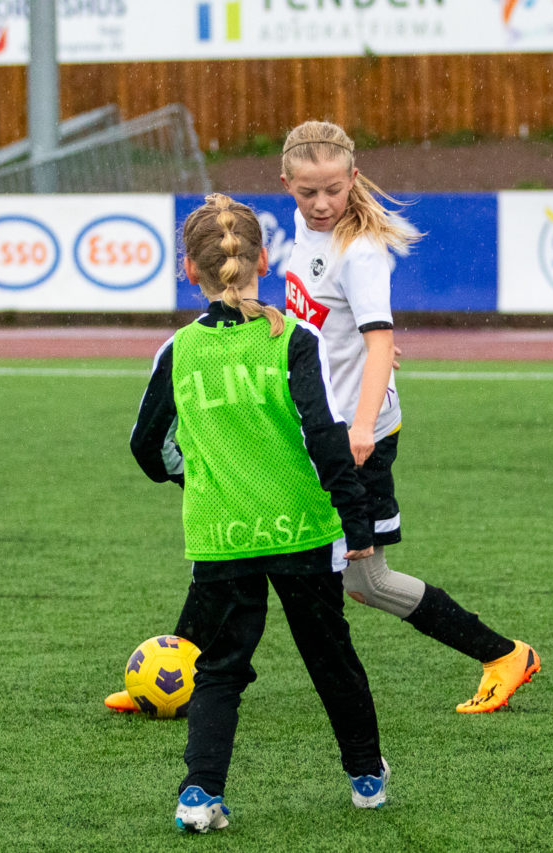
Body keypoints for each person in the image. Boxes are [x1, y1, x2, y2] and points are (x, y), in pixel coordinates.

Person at [130, 193, 391, 829]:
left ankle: (199, 795)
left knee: (219, 669)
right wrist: (356, 523)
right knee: (330, 656)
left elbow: (145, 444)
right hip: (300, 526)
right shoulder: (292, 337)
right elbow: (325, 436)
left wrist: (192, 476)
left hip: (220, 534)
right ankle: (365, 778)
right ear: (265, 260)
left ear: (188, 270)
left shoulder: (179, 351)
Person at [279, 119, 540, 714]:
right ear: (287, 185)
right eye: (307, 192)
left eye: (333, 191)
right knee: (274, 549)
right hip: (321, 431)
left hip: (356, 437)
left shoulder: (360, 252)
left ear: (353, 178)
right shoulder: (305, 226)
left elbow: (376, 340)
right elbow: (332, 323)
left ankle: (504, 654)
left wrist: (363, 424)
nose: (321, 205)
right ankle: (191, 669)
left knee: (364, 581)